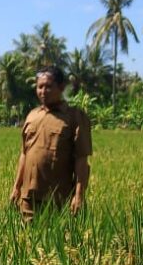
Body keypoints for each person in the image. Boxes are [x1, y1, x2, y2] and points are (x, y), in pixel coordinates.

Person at [11, 66, 92, 221]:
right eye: (40, 87)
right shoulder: (32, 116)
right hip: (29, 197)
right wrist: (16, 187)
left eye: (48, 86)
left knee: (59, 242)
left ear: (61, 87)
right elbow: (24, 154)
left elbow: (81, 160)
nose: (43, 91)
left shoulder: (75, 117)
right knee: (28, 241)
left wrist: (79, 195)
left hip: (59, 198)